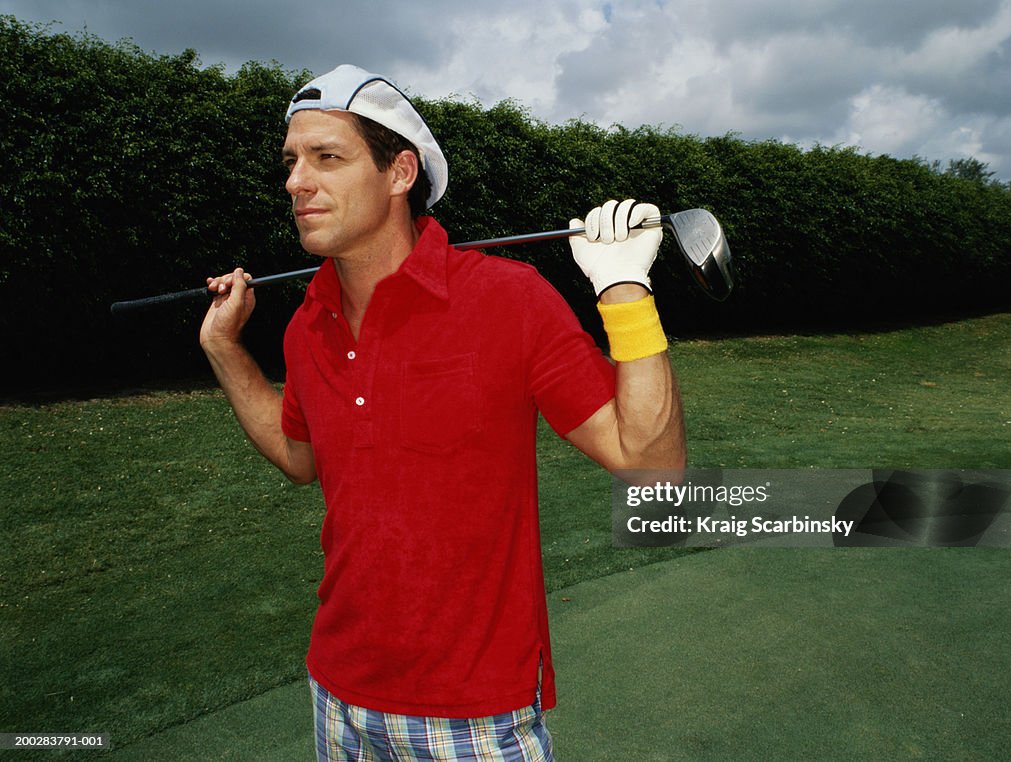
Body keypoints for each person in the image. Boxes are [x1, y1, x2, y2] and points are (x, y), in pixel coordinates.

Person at [200, 64, 685, 762]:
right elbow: (302, 458)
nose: (296, 182)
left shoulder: (507, 300)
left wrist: (625, 291)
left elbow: (653, 469)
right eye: (291, 161)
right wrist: (224, 348)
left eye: (327, 158)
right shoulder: (308, 322)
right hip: (337, 692)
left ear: (400, 173)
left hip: (473, 715)